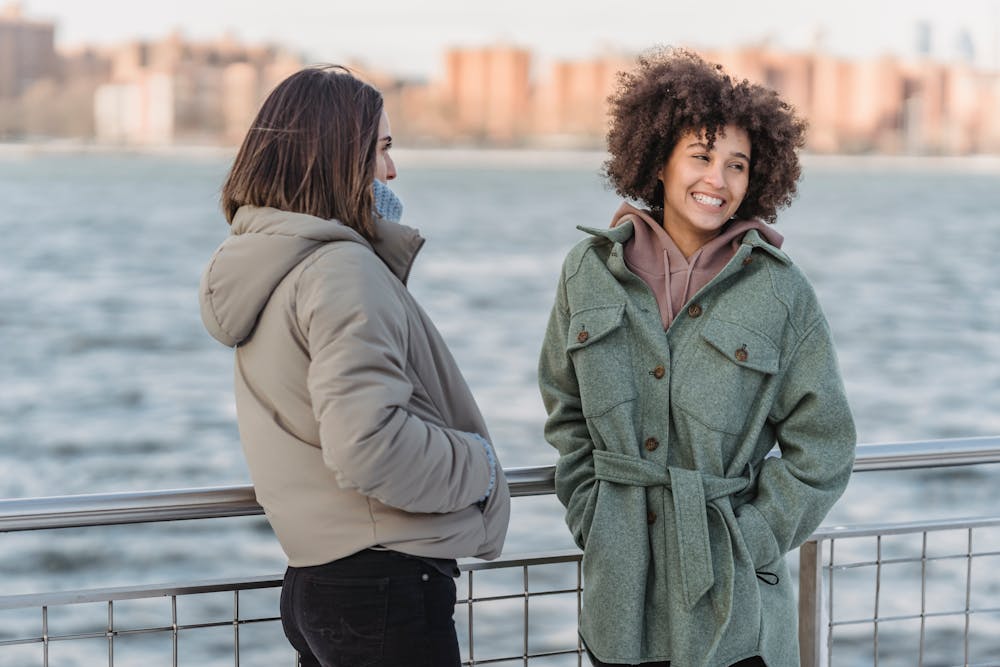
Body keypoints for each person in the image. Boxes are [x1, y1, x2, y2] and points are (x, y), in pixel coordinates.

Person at [537, 48, 856, 667]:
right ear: (659, 161)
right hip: (620, 600)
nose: (718, 179)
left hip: (734, 610)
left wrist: (752, 538)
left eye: (737, 165)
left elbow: (825, 444)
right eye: (702, 157)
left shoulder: (779, 289)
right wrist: (594, 515)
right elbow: (564, 408)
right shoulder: (589, 272)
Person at [199, 65, 510, 667]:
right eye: (383, 149)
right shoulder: (340, 270)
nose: (392, 170)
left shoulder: (278, 264)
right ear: (337, 156)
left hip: (324, 579)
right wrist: (482, 467)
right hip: (385, 583)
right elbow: (368, 445)